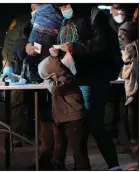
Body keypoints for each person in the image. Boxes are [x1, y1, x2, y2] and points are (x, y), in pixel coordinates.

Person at [51, 4, 122, 169]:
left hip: (92, 78)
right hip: (73, 80)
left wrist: (77, 47)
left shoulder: (94, 15)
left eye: (66, 4)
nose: (64, 8)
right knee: (78, 126)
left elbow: (104, 43)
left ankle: (113, 165)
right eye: (60, 6)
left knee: (92, 124)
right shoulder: (64, 20)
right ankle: (82, 166)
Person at [24, 4, 66, 170]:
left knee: (54, 116)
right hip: (42, 70)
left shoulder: (48, 15)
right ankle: (47, 156)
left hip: (52, 74)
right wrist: (29, 46)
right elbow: (30, 47)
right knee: (46, 116)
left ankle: (55, 159)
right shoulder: (38, 18)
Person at [38, 54, 91, 170]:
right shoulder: (60, 77)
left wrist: (46, 81)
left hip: (74, 119)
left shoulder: (66, 78)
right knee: (60, 150)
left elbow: (54, 89)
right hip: (64, 118)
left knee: (79, 153)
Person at [1, 12, 33, 147]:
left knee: (35, 104)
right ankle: (16, 136)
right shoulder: (20, 22)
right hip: (17, 67)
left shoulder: (49, 17)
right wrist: (8, 69)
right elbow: (8, 48)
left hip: (35, 66)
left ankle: (30, 133)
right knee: (17, 101)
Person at [105, 4, 127, 144]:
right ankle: (110, 135)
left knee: (127, 103)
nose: (120, 12)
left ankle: (126, 136)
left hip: (128, 68)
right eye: (116, 8)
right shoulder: (105, 23)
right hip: (111, 67)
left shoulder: (131, 23)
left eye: (122, 8)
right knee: (110, 102)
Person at [119, 22, 139, 153]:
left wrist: (125, 43)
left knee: (132, 112)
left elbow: (126, 58)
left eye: (122, 34)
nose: (121, 37)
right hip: (133, 83)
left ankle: (134, 142)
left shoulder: (131, 47)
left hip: (134, 85)